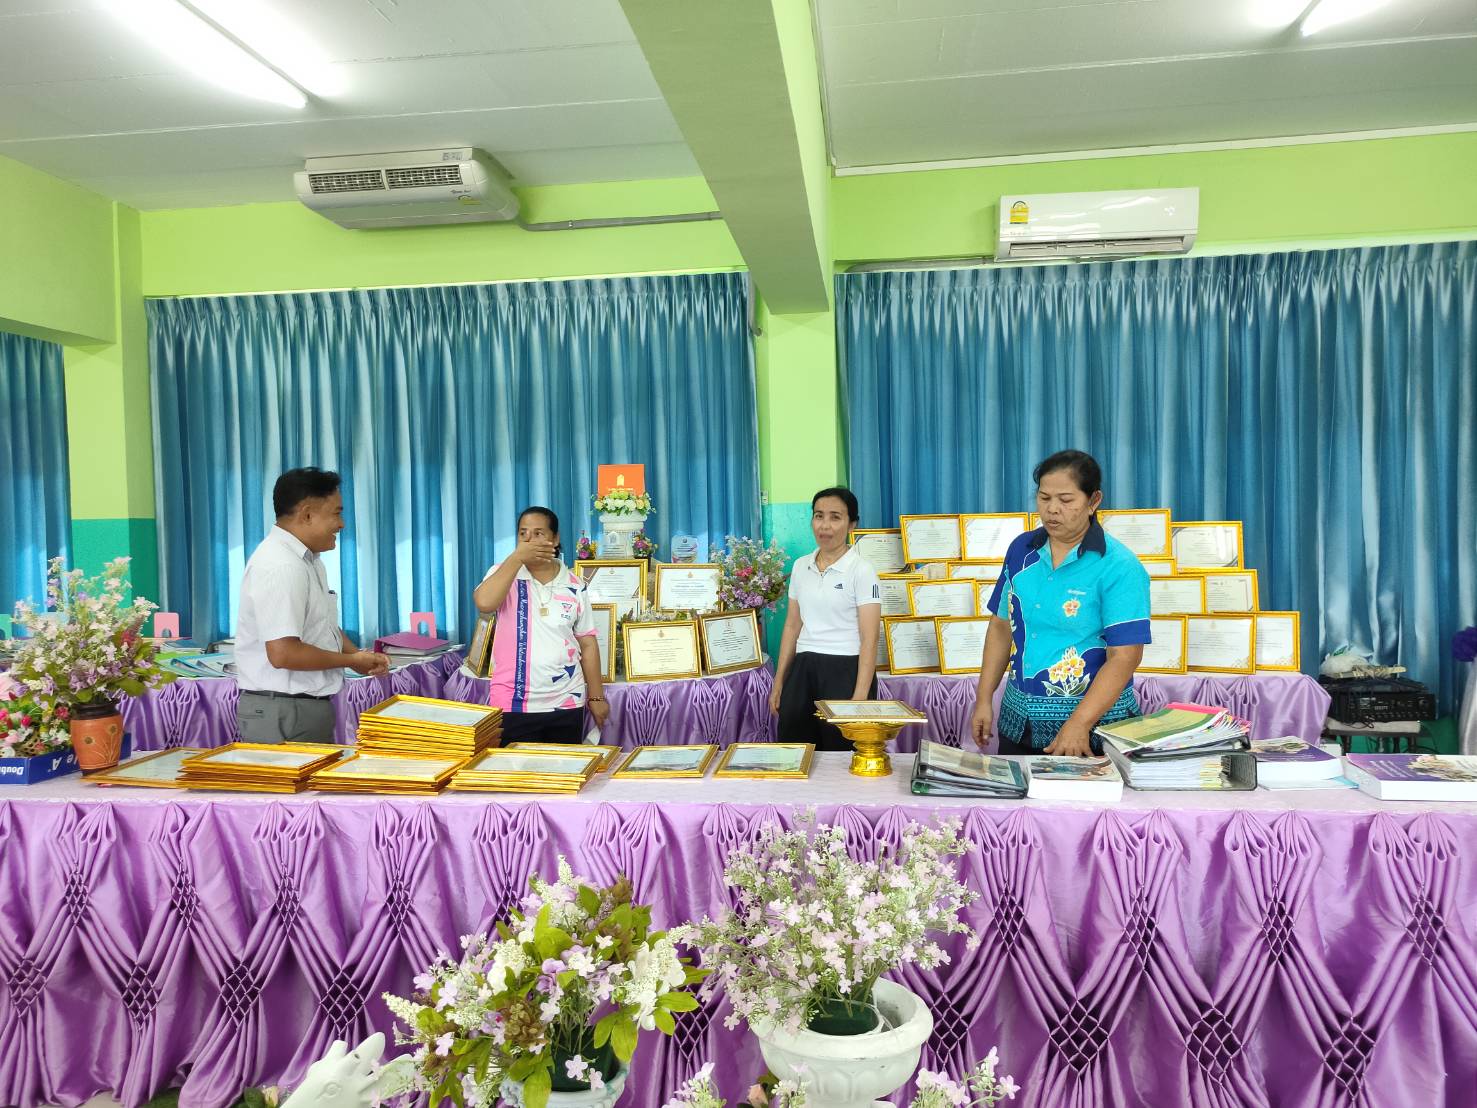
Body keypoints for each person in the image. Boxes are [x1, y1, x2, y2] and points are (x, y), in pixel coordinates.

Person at [969, 451, 1150, 757]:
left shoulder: (1119, 566)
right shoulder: (1021, 550)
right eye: (1044, 498)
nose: (1052, 509)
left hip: (1090, 733)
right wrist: (984, 698)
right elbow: (1001, 626)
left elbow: (1124, 657)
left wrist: (1080, 723)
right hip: (1018, 723)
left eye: (1066, 500)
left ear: (1093, 501)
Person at [236, 467, 389, 744]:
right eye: (336, 513)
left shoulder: (309, 561)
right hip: (284, 710)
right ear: (307, 514)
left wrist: (356, 656)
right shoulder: (281, 565)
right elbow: (283, 654)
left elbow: (322, 625)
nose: (341, 524)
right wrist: (351, 661)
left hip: (300, 708)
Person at [473, 506, 610, 743]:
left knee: (564, 766)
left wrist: (596, 698)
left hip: (567, 701)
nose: (529, 540)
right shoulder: (503, 573)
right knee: (516, 767)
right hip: (513, 702)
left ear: (555, 539)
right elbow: (484, 603)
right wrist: (516, 558)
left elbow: (587, 643)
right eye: (523, 534)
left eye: (538, 533)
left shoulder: (575, 584)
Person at [770, 487, 882, 750]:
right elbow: (792, 626)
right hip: (803, 670)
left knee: (841, 753)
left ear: (852, 524)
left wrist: (860, 697)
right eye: (819, 516)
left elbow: (870, 638)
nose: (825, 525)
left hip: (846, 671)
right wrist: (779, 681)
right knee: (796, 750)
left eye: (835, 517)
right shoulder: (801, 566)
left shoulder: (862, 571)